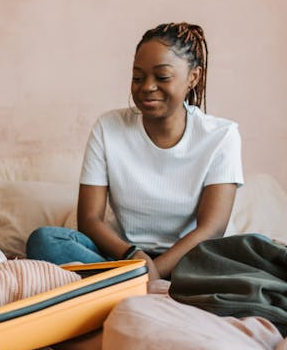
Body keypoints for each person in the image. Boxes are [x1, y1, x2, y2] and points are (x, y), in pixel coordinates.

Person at [26, 22, 243, 280]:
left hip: (190, 259)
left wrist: (152, 273)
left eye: (162, 77)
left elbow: (211, 228)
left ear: (193, 77)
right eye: (138, 77)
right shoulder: (108, 127)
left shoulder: (221, 135)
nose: (147, 87)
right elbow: (90, 219)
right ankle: (127, 282)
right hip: (123, 256)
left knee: (259, 250)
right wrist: (133, 257)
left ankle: (116, 286)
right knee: (45, 241)